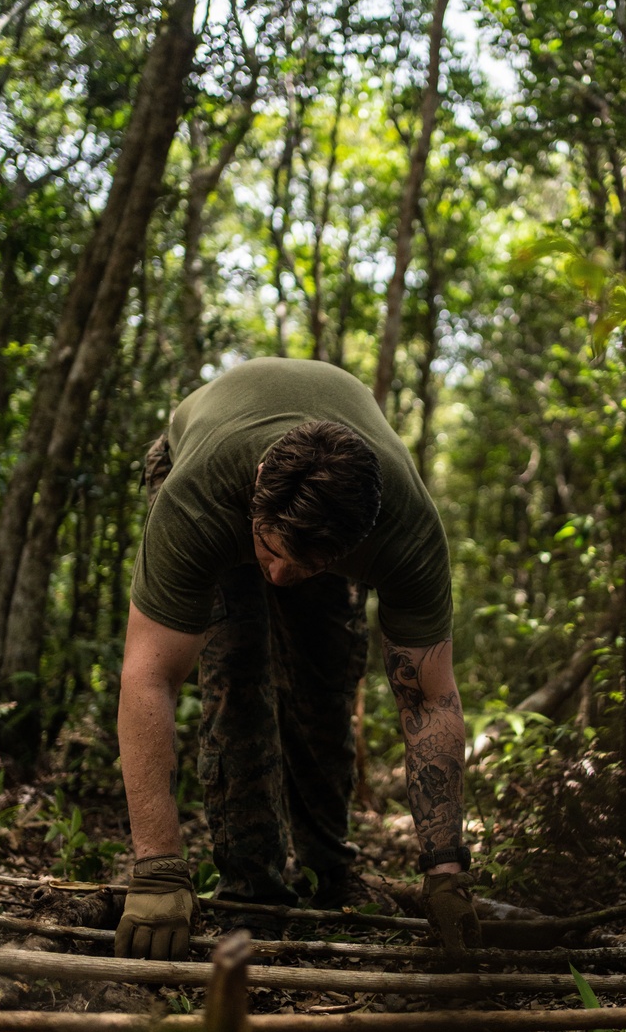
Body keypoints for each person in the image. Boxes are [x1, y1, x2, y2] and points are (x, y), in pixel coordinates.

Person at [113, 357, 480, 961]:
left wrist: (446, 870)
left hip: (314, 520)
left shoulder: (407, 533)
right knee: (238, 672)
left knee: (325, 680)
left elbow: (428, 696)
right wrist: (156, 867)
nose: (279, 575)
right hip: (199, 459)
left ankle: (330, 870)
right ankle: (251, 884)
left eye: (302, 565)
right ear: (258, 485)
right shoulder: (200, 499)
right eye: (270, 550)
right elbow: (149, 675)